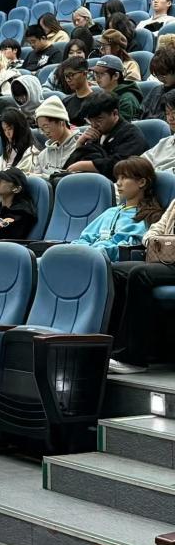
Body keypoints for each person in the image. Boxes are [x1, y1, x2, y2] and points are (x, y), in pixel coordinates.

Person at [108, 196, 175, 374]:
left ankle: (133, 358)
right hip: (166, 259)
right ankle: (112, 348)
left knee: (140, 274)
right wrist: (155, 241)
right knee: (114, 270)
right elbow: (156, 228)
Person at [71, 157, 163, 261]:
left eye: (124, 177)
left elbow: (127, 249)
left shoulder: (149, 216)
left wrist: (92, 253)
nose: (118, 183)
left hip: (111, 264)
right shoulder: (110, 212)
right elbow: (84, 238)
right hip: (89, 258)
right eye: (118, 178)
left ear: (141, 182)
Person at [66, 92, 149, 181]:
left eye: (99, 119)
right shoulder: (95, 134)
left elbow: (120, 165)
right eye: (90, 120)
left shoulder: (131, 134)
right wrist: (80, 143)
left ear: (115, 113)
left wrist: (85, 165)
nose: (94, 125)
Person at [32, 96, 80, 176]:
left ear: (61, 123)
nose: (45, 133)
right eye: (41, 129)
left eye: (46, 127)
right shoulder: (43, 156)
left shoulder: (80, 147)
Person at [93, 54, 143, 122]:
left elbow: (121, 126)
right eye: (96, 73)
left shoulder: (126, 99)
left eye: (102, 74)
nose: (98, 77)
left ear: (116, 76)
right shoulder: (102, 95)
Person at [0, 107, 41, 174]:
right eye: (4, 130)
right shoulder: (9, 148)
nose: (7, 134)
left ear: (19, 128)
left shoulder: (32, 153)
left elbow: (21, 176)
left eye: (10, 129)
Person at [143, 89, 175, 172]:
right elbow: (141, 162)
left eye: (174, 113)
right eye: (167, 113)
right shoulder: (164, 142)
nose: (170, 118)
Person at [59, 58, 97, 127]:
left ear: (84, 73)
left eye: (71, 75)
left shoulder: (97, 101)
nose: (68, 80)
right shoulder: (66, 102)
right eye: (66, 76)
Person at [144, 47, 175, 120]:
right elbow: (140, 113)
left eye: (164, 75)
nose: (161, 79)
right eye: (157, 75)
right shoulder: (155, 90)